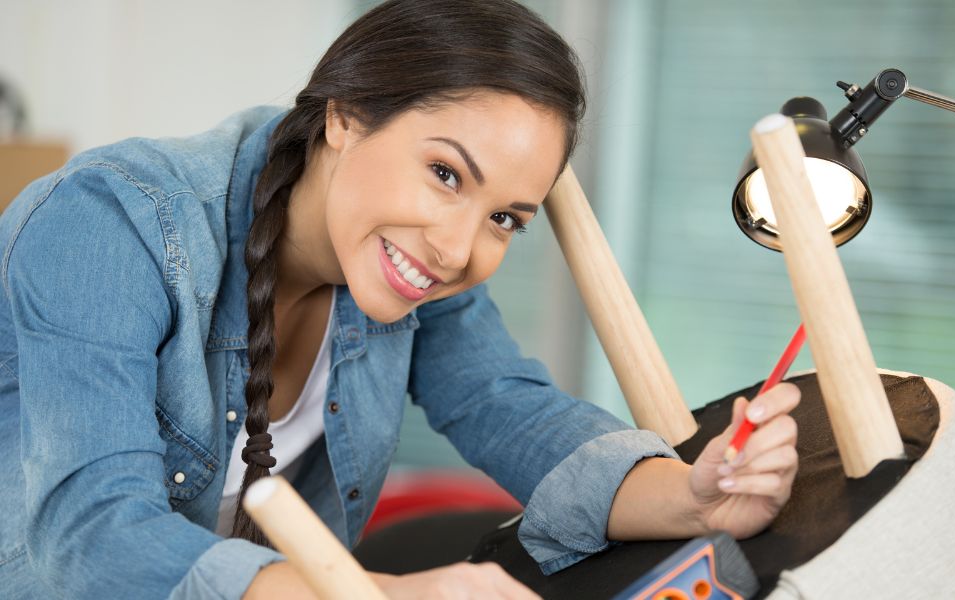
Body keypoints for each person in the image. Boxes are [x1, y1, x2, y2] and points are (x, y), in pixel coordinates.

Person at [0, 0, 800, 598]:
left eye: (505, 219)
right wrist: (380, 593)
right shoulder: (110, 222)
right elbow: (94, 535)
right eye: (446, 174)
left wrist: (693, 496)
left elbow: (505, 405)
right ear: (346, 115)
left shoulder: (404, 268)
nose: (457, 249)